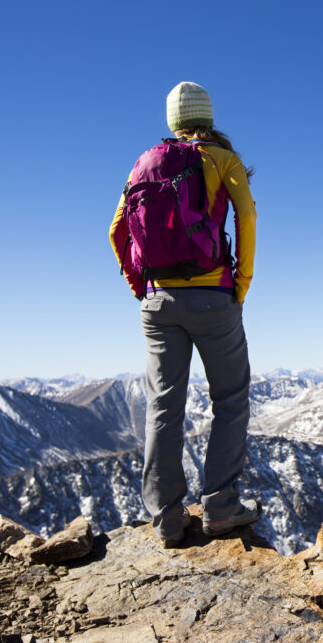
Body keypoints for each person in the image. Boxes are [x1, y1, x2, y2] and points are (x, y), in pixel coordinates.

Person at [109, 81, 259, 546]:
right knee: (230, 400)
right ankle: (219, 506)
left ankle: (167, 518)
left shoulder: (144, 163)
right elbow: (246, 217)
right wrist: (240, 284)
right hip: (213, 296)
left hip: (157, 302)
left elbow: (116, 229)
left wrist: (141, 287)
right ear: (208, 117)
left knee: (163, 407)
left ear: (172, 121)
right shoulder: (222, 159)